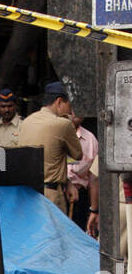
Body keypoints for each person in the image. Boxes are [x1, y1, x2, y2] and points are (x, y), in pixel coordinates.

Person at [18, 81, 83, 211]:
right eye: (69, 105)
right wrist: (68, 121)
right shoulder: (63, 124)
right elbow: (78, 154)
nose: (70, 110)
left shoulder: (26, 121)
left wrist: (68, 182)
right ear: (59, 102)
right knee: (55, 231)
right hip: (51, 195)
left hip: (28, 194)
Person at [67, 110, 98, 230]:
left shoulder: (90, 139)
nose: (77, 112)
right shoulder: (54, 133)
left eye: (81, 108)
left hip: (80, 198)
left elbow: (94, 178)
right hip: (58, 193)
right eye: (72, 109)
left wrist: (94, 209)